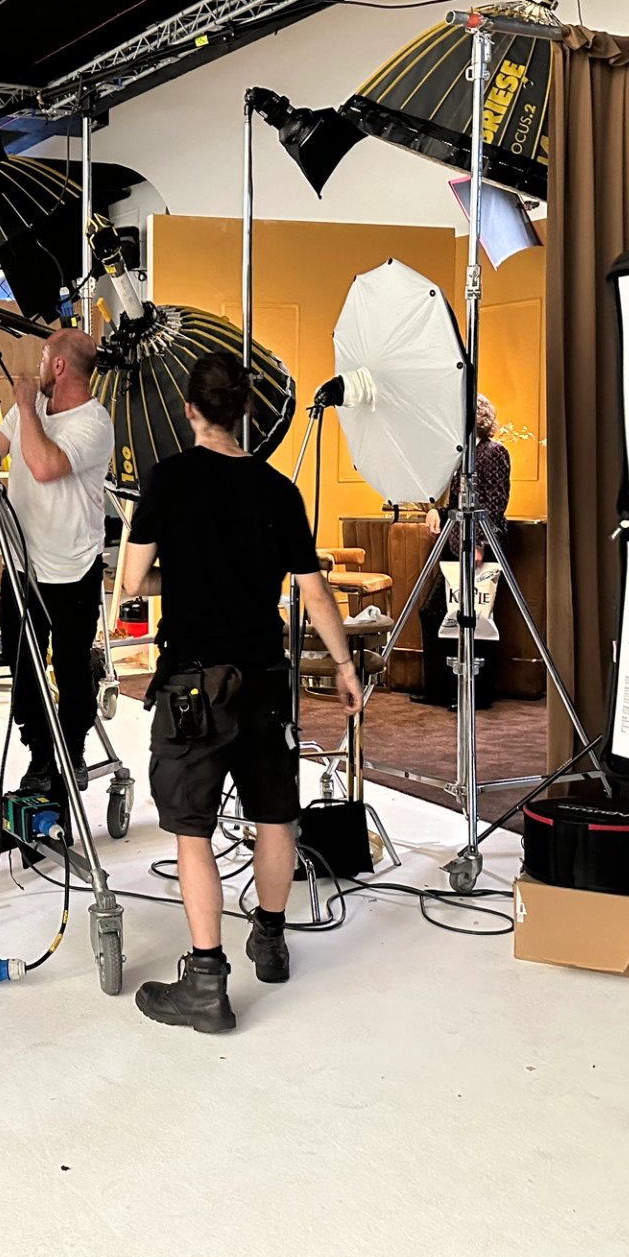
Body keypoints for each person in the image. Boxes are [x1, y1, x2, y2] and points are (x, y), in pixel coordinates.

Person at [119, 352, 363, 1034]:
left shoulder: (166, 482)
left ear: (191, 410)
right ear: (247, 412)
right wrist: (344, 667)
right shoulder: (278, 489)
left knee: (193, 833)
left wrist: (190, 580)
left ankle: (204, 981)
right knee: (275, 816)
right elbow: (311, 588)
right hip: (263, 679)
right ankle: (272, 938)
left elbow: (135, 582)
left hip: (194, 686)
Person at [0, 327, 113, 795]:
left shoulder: (93, 422)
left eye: (45, 357)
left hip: (73, 567)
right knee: (21, 665)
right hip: (24, 565)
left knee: (70, 667)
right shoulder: (30, 411)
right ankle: (41, 756)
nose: (39, 366)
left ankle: (74, 749)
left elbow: (44, 467)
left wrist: (24, 406)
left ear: (60, 366)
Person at [417, 392, 511, 710]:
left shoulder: (493, 452)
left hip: (478, 547)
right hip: (456, 543)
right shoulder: (461, 455)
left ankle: (477, 695)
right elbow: (455, 500)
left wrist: (481, 545)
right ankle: (442, 689)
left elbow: (495, 505)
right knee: (435, 613)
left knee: (477, 619)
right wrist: (438, 511)